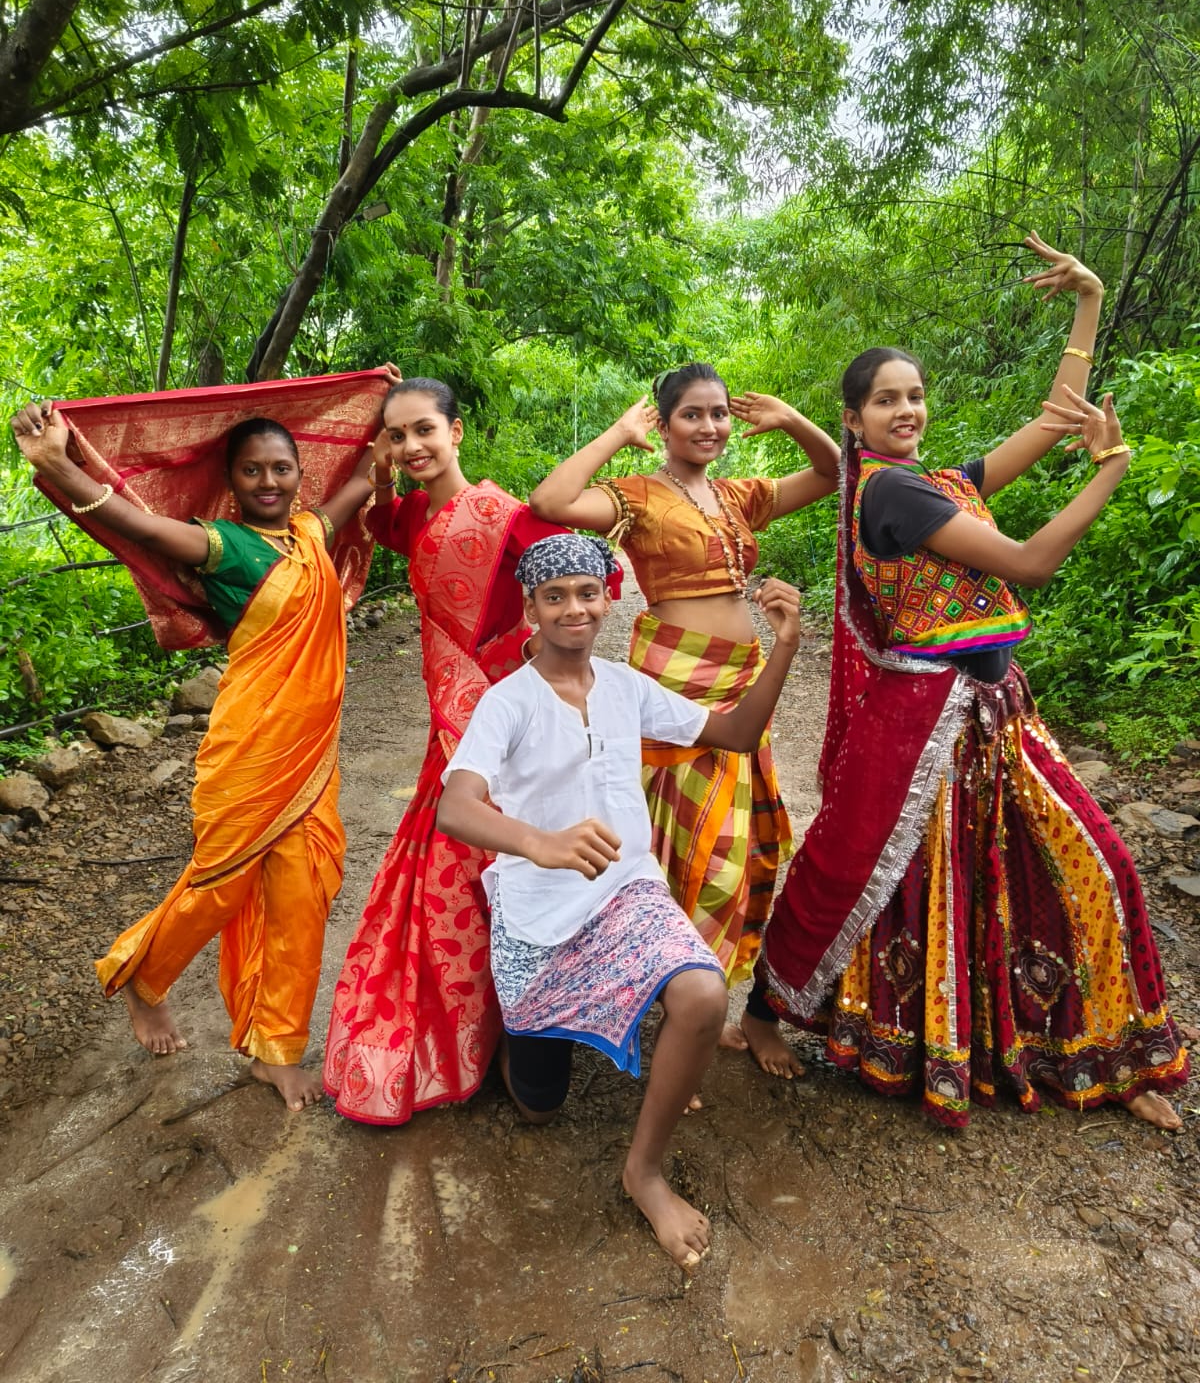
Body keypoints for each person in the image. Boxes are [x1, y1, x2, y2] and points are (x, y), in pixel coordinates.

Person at [748, 232, 1193, 1129]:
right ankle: (765, 1012)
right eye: (885, 399)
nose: (905, 409)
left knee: (1072, 865)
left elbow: (1054, 417)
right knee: (866, 872)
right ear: (854, 420)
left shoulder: (942, 482)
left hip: (994, 714)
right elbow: (1028, 563)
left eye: (913, 395)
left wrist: (1088, 300)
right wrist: (1111, 471)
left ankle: (1108, 1057)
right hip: (924, 722)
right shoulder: (894, 495)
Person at [436, 533, 803, 1269]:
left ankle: (644, 1172)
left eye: (586, 593)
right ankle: (516, 1037)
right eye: (555, 597)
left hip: (627, 890)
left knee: (702, 994)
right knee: (539, 1107)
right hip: (538, 917)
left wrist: (785, 647)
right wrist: (540, 843)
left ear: (608, 599)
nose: (574, 608)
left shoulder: (626, 686)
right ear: (532, 608)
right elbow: (456, 806)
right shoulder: (508, 702)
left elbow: (736, 733)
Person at [10, 396, 386, 1110]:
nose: (269, 481)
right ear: (232, 480)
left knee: (304, 895)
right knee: (219, 885)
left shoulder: (310, 532)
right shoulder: (221, 545)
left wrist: (387, 408)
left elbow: (364, 479)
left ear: (300, 472)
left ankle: (276, 1050)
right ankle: (141, 975)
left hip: (310, 758)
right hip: (250, 750)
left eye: (281, 468)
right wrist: (57, 464)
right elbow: (137, 524)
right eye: (252, 470)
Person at [528, 365, 839, 1042]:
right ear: (665, 425)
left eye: (719, 413)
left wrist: (791, 420)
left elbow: (834, 472)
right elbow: (551, 500)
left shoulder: (737, 496)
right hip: (674, 684)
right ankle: (673, 998)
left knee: (736, 845)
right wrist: (619, 432)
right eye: (692, 414)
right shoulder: (638, 495)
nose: (710, 426)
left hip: (741, 681)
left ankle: (698, 993)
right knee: (677, 839)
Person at [323, 378, 571, 1124]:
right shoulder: (408, 514)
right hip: (450, 727)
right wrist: (376, 474)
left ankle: (523, 1028)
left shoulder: (509, 518)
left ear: (456, 432)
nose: (412, 446)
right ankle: (476, 1027)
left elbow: (588, 582)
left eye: (424, 429)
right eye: (397, 436)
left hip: (504, 720)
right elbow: (374, 520)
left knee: (509, 868)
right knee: (458, 873)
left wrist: (520, 652)